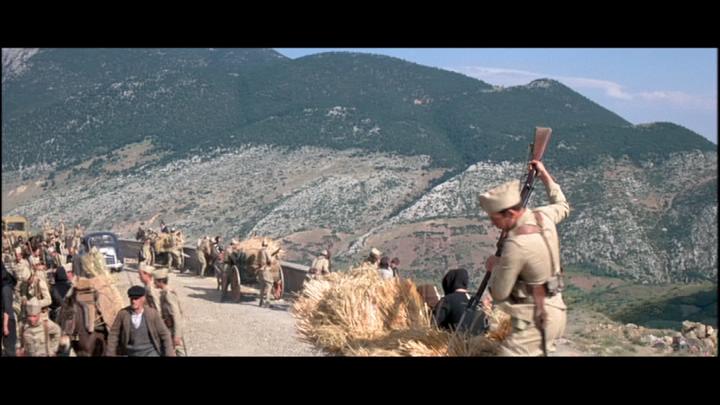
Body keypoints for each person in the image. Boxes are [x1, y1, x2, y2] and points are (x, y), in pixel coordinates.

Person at [480, 160, 570, 356]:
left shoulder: (516, 244)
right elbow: (562, 205)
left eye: (495, 219)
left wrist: (495, 266)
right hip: (556, 310)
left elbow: (499, 293)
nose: (493, 224)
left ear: (510, 213)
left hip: (536, 318)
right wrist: (544, 174)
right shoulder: (543, 216)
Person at [106, 286, 174, 357]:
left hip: (150, 352)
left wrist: (169, 353)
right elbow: (114, 334)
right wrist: (110, 353)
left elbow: (165, 334)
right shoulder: (123, 314)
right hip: (130, 352)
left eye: (136, 299)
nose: (133, 301)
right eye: (131, 299)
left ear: (143, 298)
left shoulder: (152, 314)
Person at [154, 268, 185, 356]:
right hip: (168, 327)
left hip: (173, 328)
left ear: (161, 281)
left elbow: (176, 315)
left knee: (179, 351)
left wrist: (177, 335)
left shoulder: (168, 294)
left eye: (155, 281)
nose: (154, 283)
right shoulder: (164, 292)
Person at [2, 262, 17, 356]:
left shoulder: (5, 289)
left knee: (9, 350)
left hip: (7, 321)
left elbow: (7, 309)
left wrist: (5, 326)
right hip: (5, 320)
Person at [257, 239, 273, 308]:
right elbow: (269, 260)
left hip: (260, 270)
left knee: (262, 287)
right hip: (265, 270)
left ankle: (261, 302)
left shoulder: (259, 251)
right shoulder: (266, 251)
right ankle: (267, 302)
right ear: (267, 245)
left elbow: (258, 261)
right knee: (269, 285)